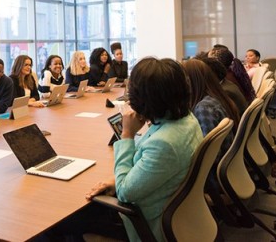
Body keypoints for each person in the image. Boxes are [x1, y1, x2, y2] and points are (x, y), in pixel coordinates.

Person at [51, 57, 203, 242]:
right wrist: (115, 179)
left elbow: (124, 192)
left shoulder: (164, 143)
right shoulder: (186, 120)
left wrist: (127, 134)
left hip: (145, 222)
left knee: (61, 222)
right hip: (175, 209)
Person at [182, 59, 239, 155]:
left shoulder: (204, 108)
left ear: (189, 81)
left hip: (216, 167)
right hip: (229, 161)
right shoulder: (216, 97)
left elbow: (210, 154)